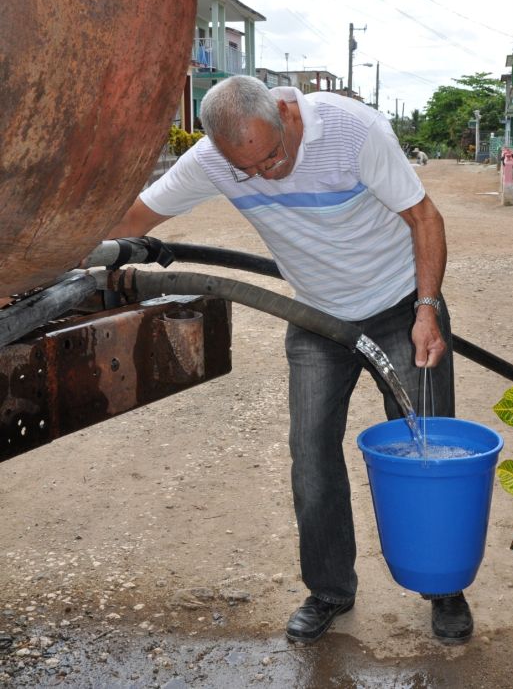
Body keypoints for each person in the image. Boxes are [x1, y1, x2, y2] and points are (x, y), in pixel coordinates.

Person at [106, 76, 472, 645]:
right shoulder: (216, 160)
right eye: (245, 169)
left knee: (427, 450)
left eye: (272, 156)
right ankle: (329, 590)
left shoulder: (353, 130)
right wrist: (51, 251)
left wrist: (427, 309)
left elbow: (426, 218)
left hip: (402, 306)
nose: (264, 174)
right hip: (318, 318)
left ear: (286, 112)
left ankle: (445, 589)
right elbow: (132, 220)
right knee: (311, 454)